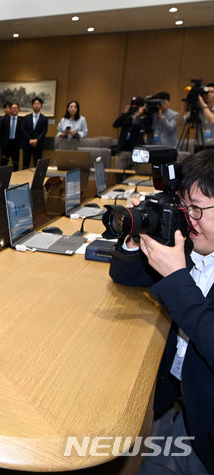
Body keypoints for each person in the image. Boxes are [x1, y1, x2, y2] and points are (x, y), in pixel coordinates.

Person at [108, 150, 214, 474]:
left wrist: (177, 278)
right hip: (177, 405)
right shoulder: (192, 245)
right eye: (185, 207)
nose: (188, 219)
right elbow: (124, 275)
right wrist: (137, 236)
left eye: (197, 209)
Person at [113, 97, 145, 170]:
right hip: (122, 151)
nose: (134, 108)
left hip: (136, 152)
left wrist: (139, 115)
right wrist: (124, 113)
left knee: (134, 177)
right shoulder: (126, 116)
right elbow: (115, 124)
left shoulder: (143, 118)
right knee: (119, 175)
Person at [182, 83, 214, 148]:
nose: (208, 94)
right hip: (199, 146)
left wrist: (202, 104)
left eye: (211, 92)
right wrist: (184, 104)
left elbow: (212, 121)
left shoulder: (202, 107)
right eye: (206, 92)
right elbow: (180, 122)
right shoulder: (199, 110)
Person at [21, 97, 48, 169]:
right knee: (25, 164)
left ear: (41, 106)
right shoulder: (26, 118)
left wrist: (36, 140)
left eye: (38, 104)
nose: (36, 105)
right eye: (35, 104)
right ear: (32, 106)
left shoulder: (44, 118)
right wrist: (30, 140)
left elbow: (44, 131)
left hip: (38, 144)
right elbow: (23, 130)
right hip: (27, 144)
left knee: (37, 165)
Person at [0, 102, 21, 171]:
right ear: (10, 109)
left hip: (16, 144)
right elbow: (0, 130)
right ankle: (2, 179)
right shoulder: (4, 119)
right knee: (3, 163)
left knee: (15, 163)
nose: (14, 110)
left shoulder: (22, 120)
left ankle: (15, 179)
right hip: (5, 144)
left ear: (18, 110)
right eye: (12, 108)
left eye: (16, 108)